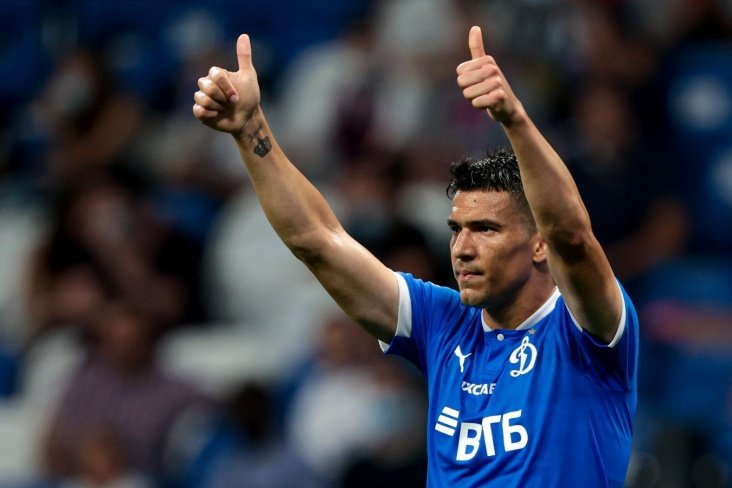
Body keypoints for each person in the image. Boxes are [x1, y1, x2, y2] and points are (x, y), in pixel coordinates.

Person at [192, 26, 639, 487]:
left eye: (485, 229)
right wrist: (250, 129)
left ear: (539, 244)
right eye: (456, 230)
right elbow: (317, 240)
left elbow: (572, 236)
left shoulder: (587, 331)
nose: (463, 249)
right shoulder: (442, 322)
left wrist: (514, 119)